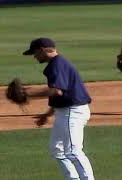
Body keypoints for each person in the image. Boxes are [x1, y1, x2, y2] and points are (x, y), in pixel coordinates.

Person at [23, 37, 95, 180]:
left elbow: (56, 91)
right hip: (65, 111)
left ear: (42, 50)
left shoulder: (57, 65)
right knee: (57, 149)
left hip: (72, 112)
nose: (34, 57)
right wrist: (48, 114)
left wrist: (28, 94)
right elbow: (60, 94)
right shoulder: (57, 64)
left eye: (35, 53)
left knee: (73, 152)